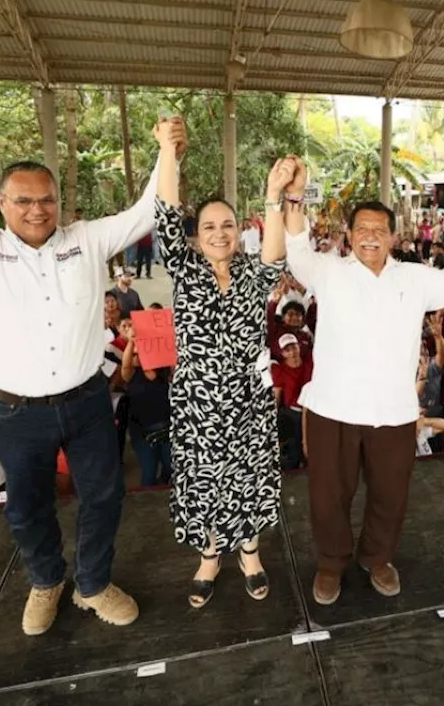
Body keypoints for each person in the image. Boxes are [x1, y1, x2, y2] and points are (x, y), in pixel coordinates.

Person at [0, 78, 184, 635]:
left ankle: (92, 583)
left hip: (88, 400)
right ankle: (47, 581)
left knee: (105, 493)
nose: (37, 210)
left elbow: (152, 210)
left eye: (46, 200)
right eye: (23, 200)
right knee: (26, 508)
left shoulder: (86, 239)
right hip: (16, 411)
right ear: (2, 204)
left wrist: (167, 151)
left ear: (59, 202)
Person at [287, 198, 444, 605]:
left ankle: (377, 558)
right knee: (328, 495)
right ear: (348, 235)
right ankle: (331, 564)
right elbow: (294, 248)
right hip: (333, 408)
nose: (370, 237)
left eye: (380, 229)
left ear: (394, 236)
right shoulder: (328, 271)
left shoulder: (413, 278)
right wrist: (292, 197)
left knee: (390, 493)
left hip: (393, 411)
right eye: (362, 228)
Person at [159, 155, 297, 608]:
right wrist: (167, 151)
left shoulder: (251, 276)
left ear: (239, 232)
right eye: (209, 226)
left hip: (249, 399)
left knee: (250, 476)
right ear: (196, 237)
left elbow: (275, 256)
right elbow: (164, 211)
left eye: (228, 225)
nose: (219, 233)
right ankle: (210, 554)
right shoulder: (184, 271)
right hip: (196, 402)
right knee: (203, 479)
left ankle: (250, 553)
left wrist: (273, 195)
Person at [117, 319, 173, 487]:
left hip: (165, 428)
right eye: (134, 354)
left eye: (138, 352)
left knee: (171, 468)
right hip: (141, 432)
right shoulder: (131, 375)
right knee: (148, 474)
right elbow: (125, 365)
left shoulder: (162, 371)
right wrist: (132, 341)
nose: (136, 355)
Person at [271, 333, 312, 470]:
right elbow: (277, 395)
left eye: (294, 348)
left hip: (311, 409)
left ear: (299, 347)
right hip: (292, 413)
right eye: (287, 350)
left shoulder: (309, 364)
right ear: (283, 354)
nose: (292, 352)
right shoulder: (280, 371)